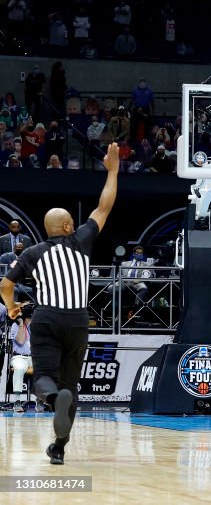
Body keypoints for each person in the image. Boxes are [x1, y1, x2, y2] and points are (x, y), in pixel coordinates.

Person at [0, 142, 119, 465]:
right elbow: (104, 206)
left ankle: (52, 398)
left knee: (43, 378)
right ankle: (59, 447)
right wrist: (113, 171)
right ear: (68, 227)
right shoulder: (80, 241)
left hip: (47, 318)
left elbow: (5, 284)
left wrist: (11, 306)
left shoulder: (32, 253)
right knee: (72, 385)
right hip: (78, 321)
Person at [9, 304, 34, 411]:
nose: (29, 318)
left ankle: (40, 400)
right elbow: (20, 341)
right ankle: (17, 401)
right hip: (19, 357)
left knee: (44, 369)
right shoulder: (16, 325)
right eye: (28, 316)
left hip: (34, 357)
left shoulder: (36, 326)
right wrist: (21, 325)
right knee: (19, 369)